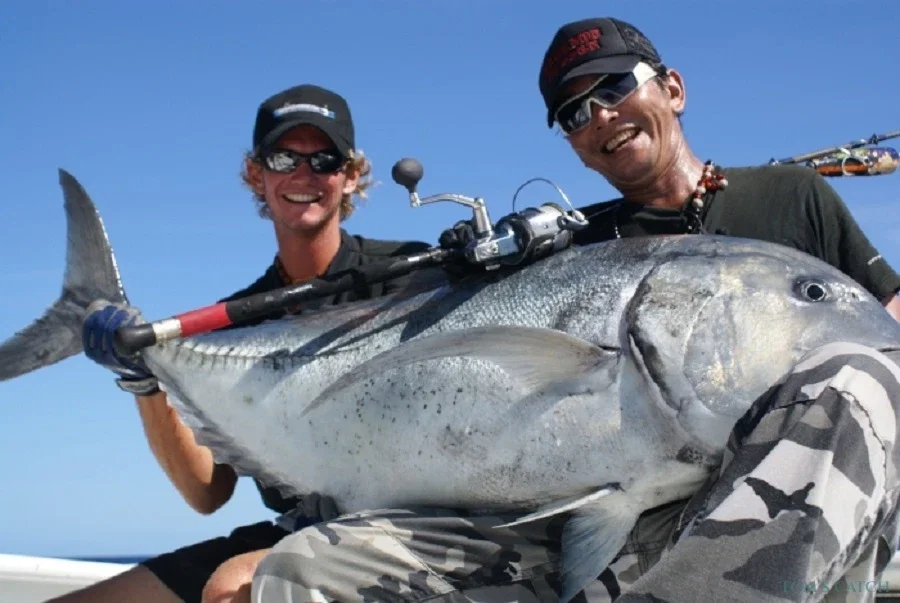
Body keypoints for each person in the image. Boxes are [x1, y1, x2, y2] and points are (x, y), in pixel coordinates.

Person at [251, 18, 900, 603]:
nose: (600, 116)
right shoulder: (574, 250)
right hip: (602, 518)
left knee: (862, 378)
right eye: (574, 113)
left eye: (614, 86)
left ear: (673, 88)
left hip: (763, 505)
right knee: (302, 569)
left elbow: (884, 333)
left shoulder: (790, 197)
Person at [52, 83, 436, 603]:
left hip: (407, 528)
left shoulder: (413, 276)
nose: (303, 174)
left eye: (324, 159)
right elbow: (207, 492)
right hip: (296, 529)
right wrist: (142, 378)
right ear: (257, 175)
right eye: (283, 158)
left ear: (349, 176)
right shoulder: (232, 322)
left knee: (230, 591)